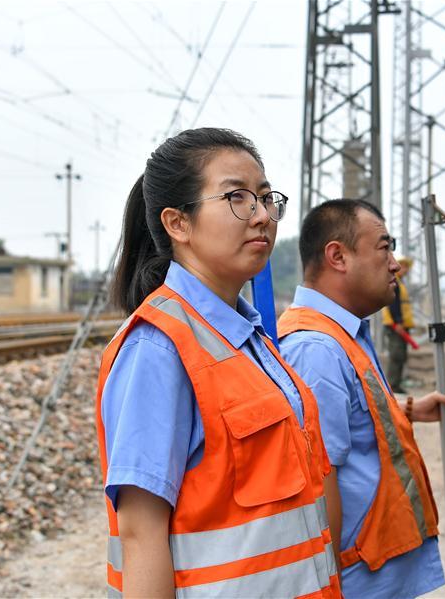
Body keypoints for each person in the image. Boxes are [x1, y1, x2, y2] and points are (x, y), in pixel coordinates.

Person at [96, 128, 340, 598]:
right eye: (238, 198)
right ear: (178, 224)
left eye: (267, 199)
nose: (263, 216)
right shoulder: (159, 348)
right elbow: (140, 535)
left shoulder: (252, 341)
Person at [278, 199, 445, 599]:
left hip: (373, 573)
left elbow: (352, 410)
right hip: (356, 580)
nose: (394, 263)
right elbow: (320, 486)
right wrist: (329, 588)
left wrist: (409, 408)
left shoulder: (339, 333)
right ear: (337, 256)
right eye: (384, 247)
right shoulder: (316, 350)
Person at [381, 255, 415, 392]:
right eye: (404, 266)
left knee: (400, 355)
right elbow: (394, 305)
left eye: (407, 267)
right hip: (396, 326)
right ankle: (392, 385)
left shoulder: (400, 283)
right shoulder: (395, 283)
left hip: (400, 325)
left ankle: (396, 383)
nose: (405, 269)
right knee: (396, 355)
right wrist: (399, 322)